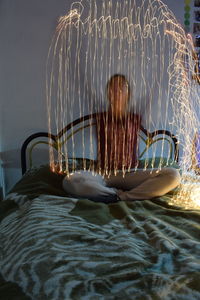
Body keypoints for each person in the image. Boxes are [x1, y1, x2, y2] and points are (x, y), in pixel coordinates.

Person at [62, 74, 181, 203]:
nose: (117, 91)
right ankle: (112, 194)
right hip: (103, 174)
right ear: (108, 93)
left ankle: (122, 197)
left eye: (121, 87)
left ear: (128, 94)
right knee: (70, 180)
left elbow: (154, 96)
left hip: (131, 173)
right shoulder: (101, 118)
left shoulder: (136, 118)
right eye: (112, 87)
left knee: (173, 175)